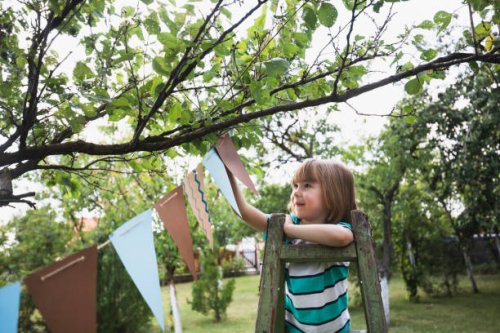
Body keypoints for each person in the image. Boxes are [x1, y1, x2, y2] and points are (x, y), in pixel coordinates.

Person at [228, 159, 356, 333]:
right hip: (295, 329)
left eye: (307, 185)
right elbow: (244, 212)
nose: (296, 192)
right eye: (295, 186)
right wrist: (228, 172)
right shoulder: (285, 225)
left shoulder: (339, 227)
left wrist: (291, 230)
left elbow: (342, 238)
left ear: (334, 194)